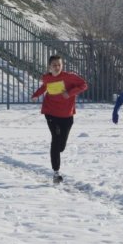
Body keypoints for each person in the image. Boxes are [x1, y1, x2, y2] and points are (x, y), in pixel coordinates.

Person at [31, 55, 87, 184]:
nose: (57, 67)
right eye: (54, 65)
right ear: (49, 67)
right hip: (50, 112)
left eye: (59, 65)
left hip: (67, 115)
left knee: (61, 146)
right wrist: (36, 95)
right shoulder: (47, 78)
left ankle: (58, 152)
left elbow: (83, 85)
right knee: (55, 139)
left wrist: (70, 93)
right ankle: (56, 172)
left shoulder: (69, 77)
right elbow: (45, 87)